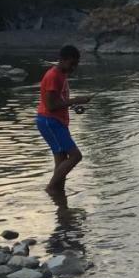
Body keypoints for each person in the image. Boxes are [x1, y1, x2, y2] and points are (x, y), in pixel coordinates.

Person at [36, 45, 90, 195]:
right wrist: (75, 100)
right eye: (72, 63)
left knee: (61, 160)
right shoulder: (53, 76)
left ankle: (59, 196)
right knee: (75, 156)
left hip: (56, 121)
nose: (74, 67)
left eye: (76, 64)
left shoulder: (62, 74)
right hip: (49, 121)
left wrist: (74, 105)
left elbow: (59, 100)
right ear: (62, 60)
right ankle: (51, 188)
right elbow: (51, 105)